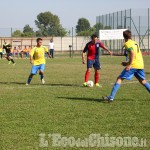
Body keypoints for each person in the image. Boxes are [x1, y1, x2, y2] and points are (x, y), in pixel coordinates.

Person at [103, 30, 150, 102]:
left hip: (133, 66)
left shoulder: (127, 43)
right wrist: (127, 62)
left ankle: (111, 97)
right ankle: (111, 97)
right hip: (140, 64)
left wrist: (129, 64)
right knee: (143, 81)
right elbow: (136, 55)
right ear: (130, 35)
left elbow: (132, 53)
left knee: (119, 78)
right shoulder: (135, 43)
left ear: (124, 36)